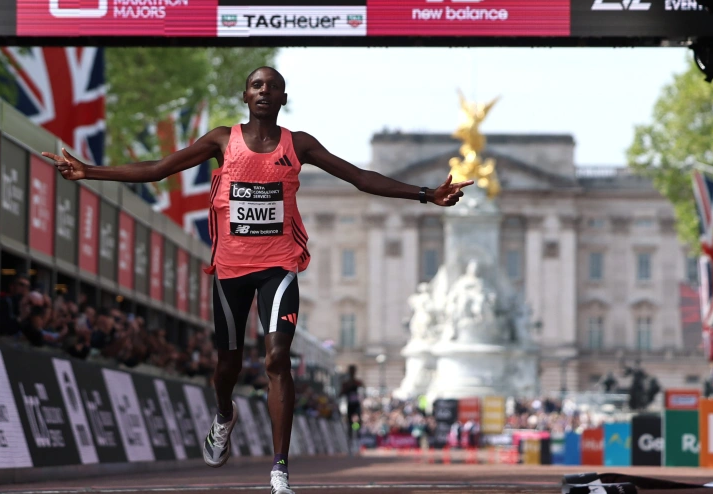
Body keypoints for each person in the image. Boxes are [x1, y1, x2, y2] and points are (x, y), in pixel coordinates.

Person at [43, 66, 473, 494]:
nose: (265, 91)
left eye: (273, 87)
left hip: (278, 267)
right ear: (246, 96)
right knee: (227, 366)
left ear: (283, 99)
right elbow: (159, 169)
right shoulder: (221, 140)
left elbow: (359, 178)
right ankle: (223, 414)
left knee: (276, 359)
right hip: (230, 269)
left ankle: (279, 468)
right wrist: (89, 171)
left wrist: (426, 194)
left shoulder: (298, 144)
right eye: (257, 85)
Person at [340, 365, 364, 448]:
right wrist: (346, 389)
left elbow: (363, 391)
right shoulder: (346, 383)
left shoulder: (358, 382)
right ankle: (350, 438)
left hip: (357, 405)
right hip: (350, 405)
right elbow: (341, 393)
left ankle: (357, 434)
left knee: (357, 421)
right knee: (350, 422)